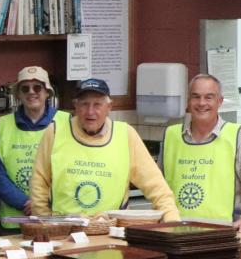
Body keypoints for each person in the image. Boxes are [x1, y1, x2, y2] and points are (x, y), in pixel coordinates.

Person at [30, 78, 180, 219]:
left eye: (97, 105)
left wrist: (171, 221)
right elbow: (39, 184)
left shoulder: (125, 134)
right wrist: (47, 223)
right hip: (63, 232)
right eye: (84, 104)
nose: (90, 112)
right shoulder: (55, 132)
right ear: (75, 106)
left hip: (112, 231)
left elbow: (157, 187)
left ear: (109, 107)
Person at [161, 74, 241, 231]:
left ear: (220, 102)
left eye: (209, 97)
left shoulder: (237, 134)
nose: (202, 103)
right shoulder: (171, 135)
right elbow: (157, 185)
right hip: (176, 232)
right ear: (188, 102)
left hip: (223, 233)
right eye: (196, 97)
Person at [0, 66, 70, 228]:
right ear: (18, 94)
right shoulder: (5, 123)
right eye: (25, 88)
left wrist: (41, 202)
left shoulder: (66, 122)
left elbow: (71, 169)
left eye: (37, 87)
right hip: (14, 220)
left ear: (47, 92)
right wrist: (24, 202)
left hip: (54, 218)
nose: (31, 92)